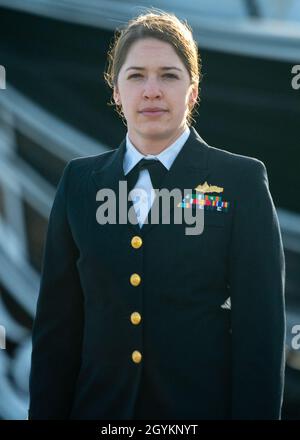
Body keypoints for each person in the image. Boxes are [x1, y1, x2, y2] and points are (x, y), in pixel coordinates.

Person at [28, 10, 286, 420]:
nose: (151, 91)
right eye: (135, 76)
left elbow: (261, 336)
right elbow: (57, 334)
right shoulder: (79, 183)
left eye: (168, 75)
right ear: (115, 91)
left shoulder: (240, 182)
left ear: (193, 90)